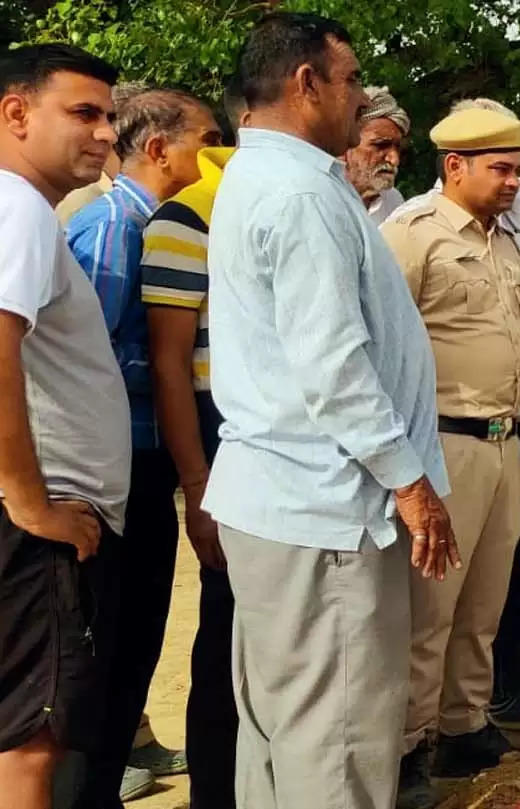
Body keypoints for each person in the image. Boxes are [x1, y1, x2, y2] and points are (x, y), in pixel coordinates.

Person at [205, 13, 454, 809]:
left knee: (286, 729)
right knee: (338, 738)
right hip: (325, 506)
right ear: (305, 83)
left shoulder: (270, 176)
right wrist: (407, 481)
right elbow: (334, 364)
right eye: (349, 81)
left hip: (287, 499)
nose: (361, 97)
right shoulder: (301, 193)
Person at [381, 107, 520, 806]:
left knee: (486, 600)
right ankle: (405, 749)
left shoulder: (505, 240)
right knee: (430, 608)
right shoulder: (412, 235)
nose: (514, 182)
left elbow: (515, 337)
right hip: (441, 440)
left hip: (502, 437)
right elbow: (379, 341)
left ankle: (463, 725)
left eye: (518, 168)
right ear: (454, 165)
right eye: (501, 168)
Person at [63, 84, 221, 809]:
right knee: (113, 655)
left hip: (140, 465)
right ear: (160, 149)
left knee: (134, 650)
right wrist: (184, 363)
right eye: (207, 139)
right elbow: (81, 364)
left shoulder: (155, 227)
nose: (220, 155)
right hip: (116, 467)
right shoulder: (117, 231)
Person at [0, 43, 127, 809]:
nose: (107, 133)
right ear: (15, 112)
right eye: (83, 113)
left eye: (109, 116)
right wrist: (28, 500)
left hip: (31, 524)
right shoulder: (17, 208)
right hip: (33, 532)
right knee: (28, 745)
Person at [138, 84, 249, 809]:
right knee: (228, 624)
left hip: (255, 429)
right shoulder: (184, 221)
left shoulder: (251, 211)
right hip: (220, 430)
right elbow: (171, 364)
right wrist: (199, 486)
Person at [347, 86, 409, 223]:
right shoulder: (320, 197)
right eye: (380, 145)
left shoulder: (393, 200)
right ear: (347, 141)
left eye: (397, 147)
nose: (394, 160)